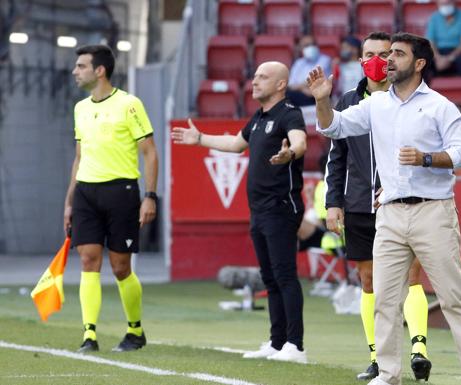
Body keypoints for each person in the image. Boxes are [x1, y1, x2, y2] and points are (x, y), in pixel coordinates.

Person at [307, 32, 461, 385]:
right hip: (389, 213)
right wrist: (322, 100)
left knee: (454, 296)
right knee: (385, 300)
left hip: (432, 211)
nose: (388, 60)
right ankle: (388, 374)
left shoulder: (440, 106)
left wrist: (426, 158)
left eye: (398, 54)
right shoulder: (376, 104)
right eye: (388, 54)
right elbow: (334, 126)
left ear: (419, 63)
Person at [172, 61, 308, 363]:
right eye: (255, 76)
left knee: (285, 275)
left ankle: (296, 346)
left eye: (263, 77)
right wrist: (200, 140)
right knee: (270, 277)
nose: (254, 81)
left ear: (281, 84)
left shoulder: (289, 114)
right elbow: (236, 143)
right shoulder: (259, 117)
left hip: (281, 206)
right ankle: (277, 342)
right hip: (258, 210)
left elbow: (300, 141)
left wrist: (290, 153)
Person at [324, 31, 431, 382]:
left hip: (403, 201)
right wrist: (333, 203)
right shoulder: (348, 102)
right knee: (369, 281)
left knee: (411, 277)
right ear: (360, 59)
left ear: (394, 58)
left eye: (384, 53)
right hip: (358, 204)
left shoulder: (410, 99)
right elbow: (335, 156)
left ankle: (419, 349)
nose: (376, 59)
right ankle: (377, 357)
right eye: (368, 53)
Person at [64, 45, 159, 353]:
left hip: (122, 193)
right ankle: (88, 335)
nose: (75, 71)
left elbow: (150, 153)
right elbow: (79, 158)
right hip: (86, 194)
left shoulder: (129, 104)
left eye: (81, 66)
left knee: (120, 267)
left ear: (99, 70)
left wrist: (150, 196)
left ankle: (135, 331)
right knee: (89, 261)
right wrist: (69, 200)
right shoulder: (80, 108)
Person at [426, 0, 461, 76]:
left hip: (458, 52)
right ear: (438, 4)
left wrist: (450, 58)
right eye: (443, 4)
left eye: (448, 3)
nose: (445, 6)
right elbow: (430, 42)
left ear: (454, 2)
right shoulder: (434, 18)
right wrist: (438, 58)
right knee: (423, 59)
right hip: (438, 52)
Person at [287, 35, 332, 107]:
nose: (310, 47)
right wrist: (303, 89)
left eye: (312, 44)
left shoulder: (325, 60)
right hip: (301, 94)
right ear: (301, 48)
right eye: (306, 45)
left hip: (318, 95)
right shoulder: (298, 63)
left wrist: (302, 87)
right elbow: (291, 85)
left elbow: (320, 82)